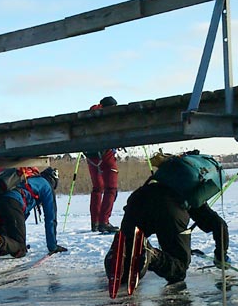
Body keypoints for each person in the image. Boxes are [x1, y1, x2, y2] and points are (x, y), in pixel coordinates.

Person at [110, 152, 229, 285]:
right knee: (178, 270)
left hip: (139, 198)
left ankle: (117, 257)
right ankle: (152, 255)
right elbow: (220, 225)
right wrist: (221, 255)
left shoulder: (168, 176)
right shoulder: (191, 192)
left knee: (126, 246)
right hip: (168, 209)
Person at [0, 167, 68, 258]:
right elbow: (50, 219)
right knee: (20, 249)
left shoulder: (24, 177)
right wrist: (53, 247)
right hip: (11, 204)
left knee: (2, 249)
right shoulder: (47, 187)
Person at [86, 96, 120, 233]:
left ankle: (95, 222)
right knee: (111, 188)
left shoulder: (90, 116)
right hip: (106, 154)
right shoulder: (108, 117)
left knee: (97, 189)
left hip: (91, 156)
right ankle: (103, 222)